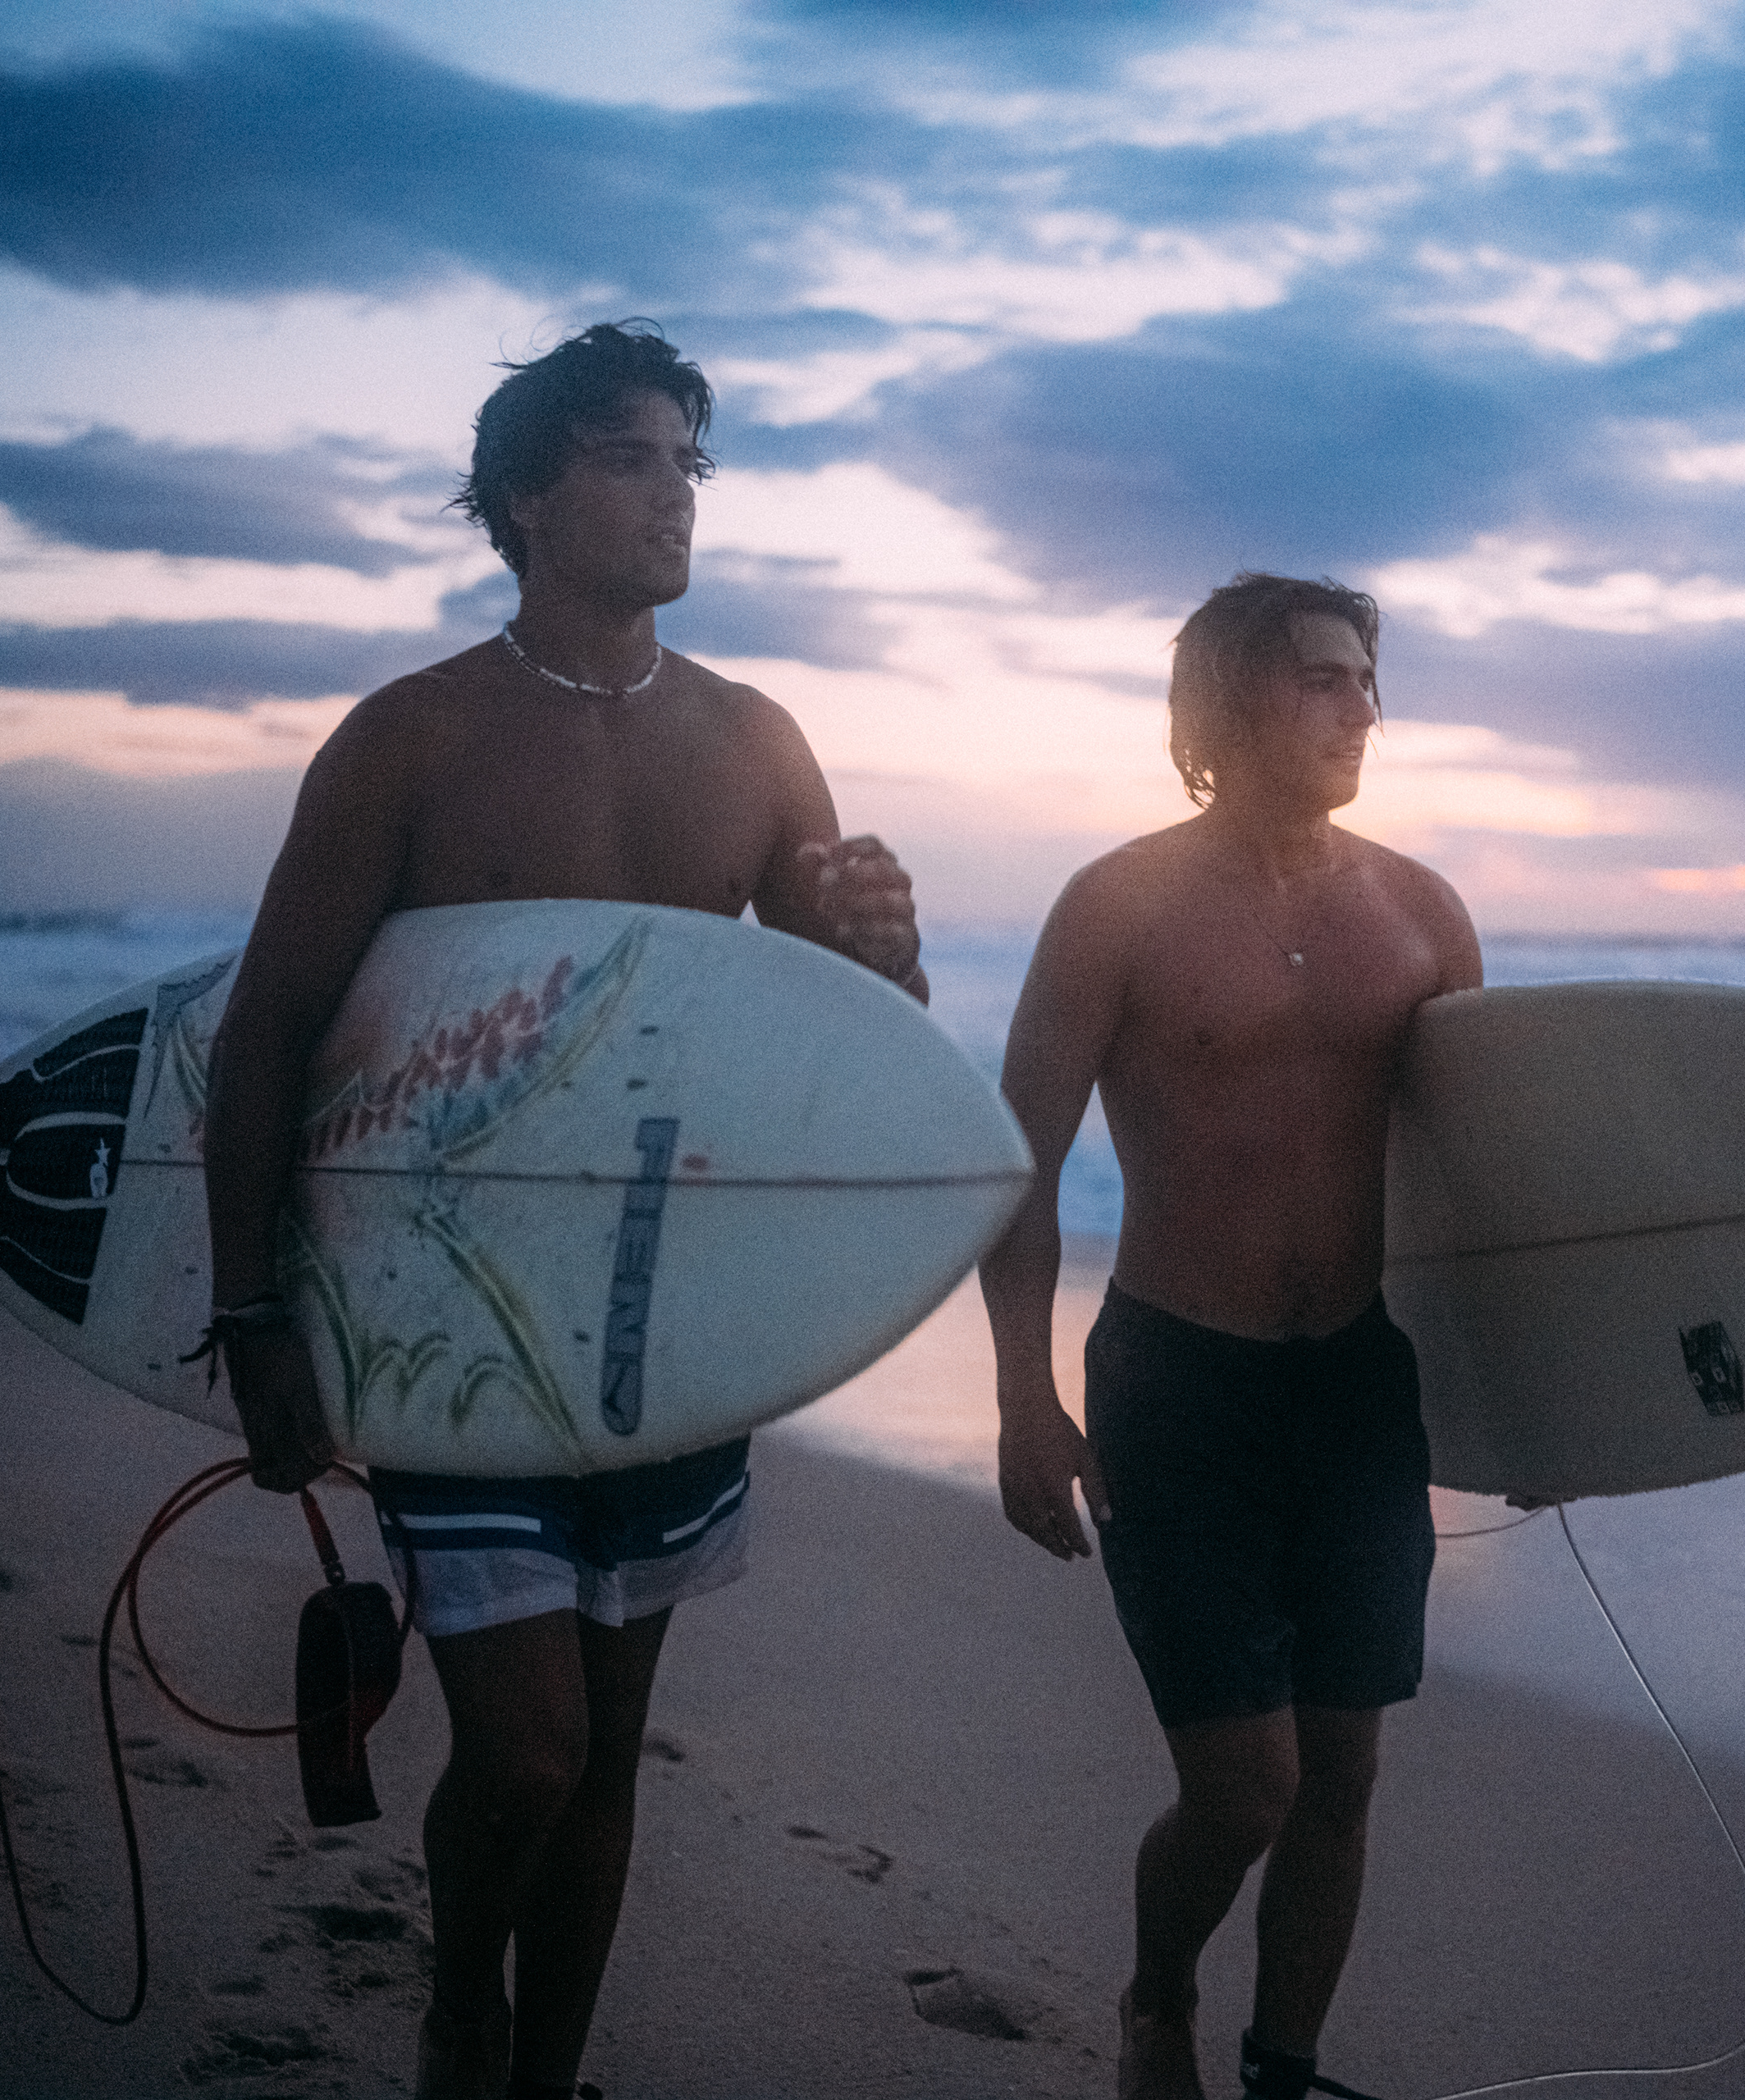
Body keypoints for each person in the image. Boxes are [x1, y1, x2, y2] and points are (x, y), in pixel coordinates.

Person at [201, 322, 926, 2100]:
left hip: (662, 1320)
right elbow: (273, 1030)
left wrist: (891, 961)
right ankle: (462, 2003)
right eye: (628, 454)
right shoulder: (411, 738)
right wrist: (255, 1312)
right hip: (448, 1313)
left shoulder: (758, 743)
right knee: (521, 1750)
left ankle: (546, 2072)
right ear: (525, 492)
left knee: (608, 1739)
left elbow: (835, 1054)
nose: (673, 488)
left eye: (691, 457)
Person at [982, 573, 1481, 2100]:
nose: (1363, 712)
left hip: (1361, 1385)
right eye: (1325, 681)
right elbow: (1019, 1164)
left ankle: (1282, 2069)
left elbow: (1489, 1186)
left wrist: (1533, 1401)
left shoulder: (1419, 911)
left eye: (1368, 683)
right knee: (1245, 1781)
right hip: (1179, 1383)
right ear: (1224, 710)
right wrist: (1022, 1404)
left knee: (1341, 1772)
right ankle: (1157, 1999)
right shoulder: (1118, 905)